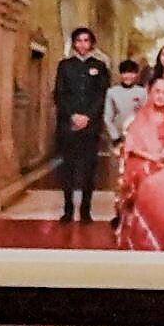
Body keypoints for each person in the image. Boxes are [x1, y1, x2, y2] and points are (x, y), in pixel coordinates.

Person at [114, 57, 164, 253]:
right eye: (157, 92)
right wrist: (152, 158)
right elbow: (131, 146)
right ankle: (145, 235)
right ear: (151, 93)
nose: (160, 96)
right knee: (154, 182)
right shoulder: (141, 116)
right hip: (142, 162)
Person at [46, 26, 110, 235]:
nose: (83, 44)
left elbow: (102, 95)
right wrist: (72, 115)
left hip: (91, 126)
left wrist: (88, 117)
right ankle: (67, 209)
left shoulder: (99, 66)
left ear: (91, 43)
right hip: (68, 125)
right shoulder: (65, 66)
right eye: (79, 40)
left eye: (86, 40)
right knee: (68, 168)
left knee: (89, 169)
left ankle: (85, 210)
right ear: (74, 43)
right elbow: (60, 94)